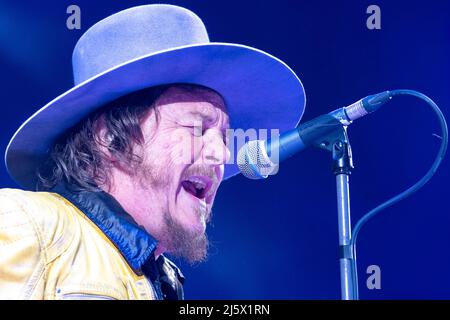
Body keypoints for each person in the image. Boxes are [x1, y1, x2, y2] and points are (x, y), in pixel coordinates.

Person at [0, 4, 305, 299]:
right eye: (197, 128)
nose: (223, 154)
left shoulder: (161, 280)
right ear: (110, 138)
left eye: (224, 137)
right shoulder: (24, 223)